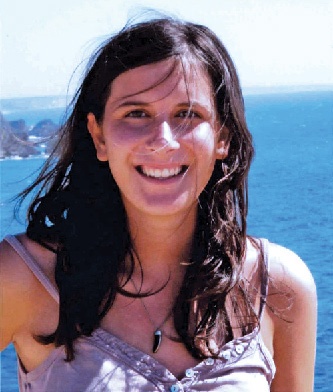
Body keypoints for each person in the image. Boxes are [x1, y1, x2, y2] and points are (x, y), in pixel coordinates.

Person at [0, 15, 317, 392]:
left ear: (222, 138)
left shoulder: (279, 287)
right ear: (99, 137)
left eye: (188, 114)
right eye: (136, 113)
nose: (163, 139)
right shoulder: (24, 276)